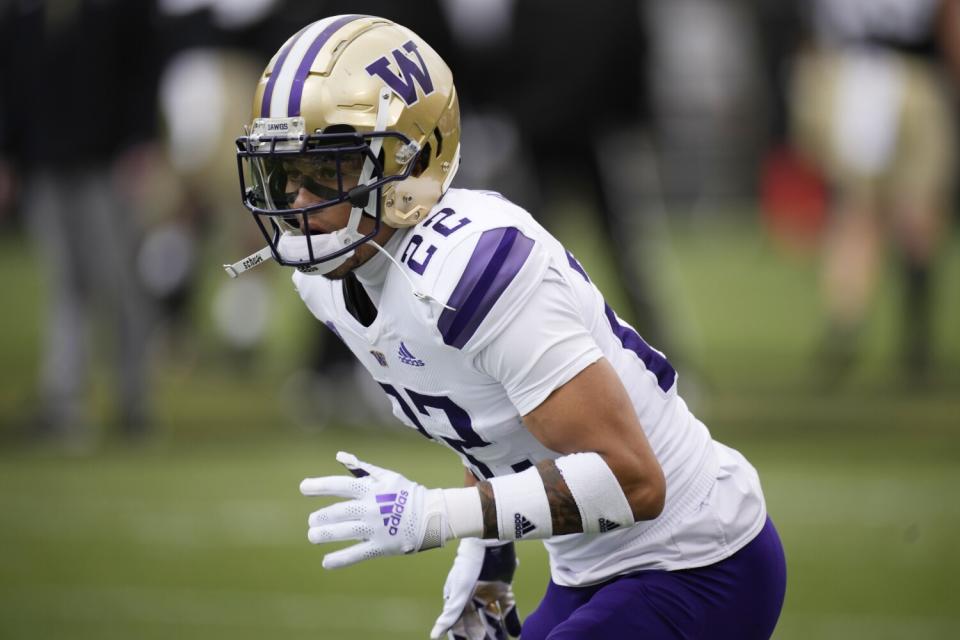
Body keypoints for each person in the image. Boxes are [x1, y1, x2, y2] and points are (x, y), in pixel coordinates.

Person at [227, 15, 786, 639]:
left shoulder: (470, 271)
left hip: (698, 561)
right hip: (588, 566)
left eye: (325, 173)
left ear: (410, 162)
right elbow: (484, 417)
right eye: (285, 174)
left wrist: (438, 517)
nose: (297, 206)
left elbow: (633, 477)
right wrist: (490, 568)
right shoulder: (330, 275)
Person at [789, 0, 959, 377]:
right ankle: (915, 337)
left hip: (850, 79)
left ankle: (846, 327)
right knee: (914, 212)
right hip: (911, 74)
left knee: (857, 214)